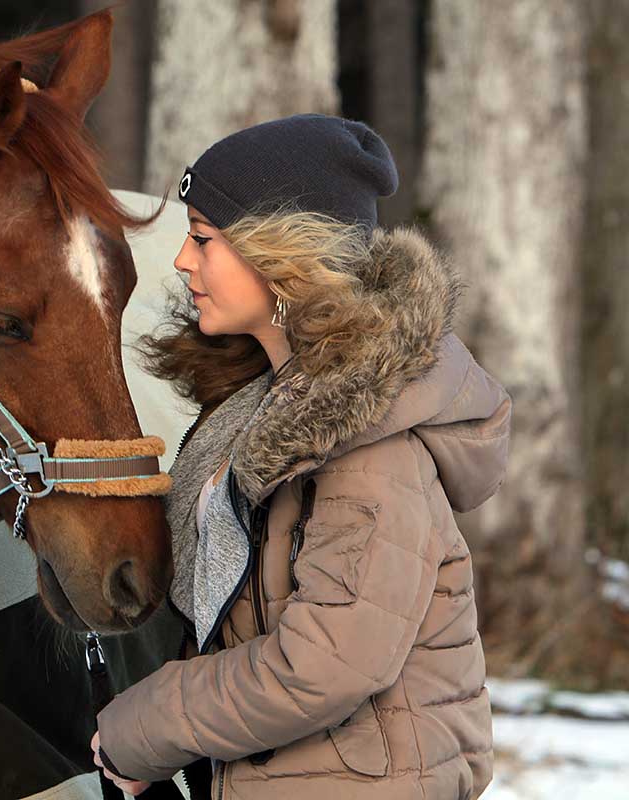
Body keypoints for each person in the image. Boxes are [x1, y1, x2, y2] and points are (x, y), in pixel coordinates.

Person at [90, 113, 511, 799]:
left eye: (202, 240)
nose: (181, 261)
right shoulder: (258, 410)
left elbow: (326, 665)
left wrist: (148, 728)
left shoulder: (370, 448)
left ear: (277, 256)